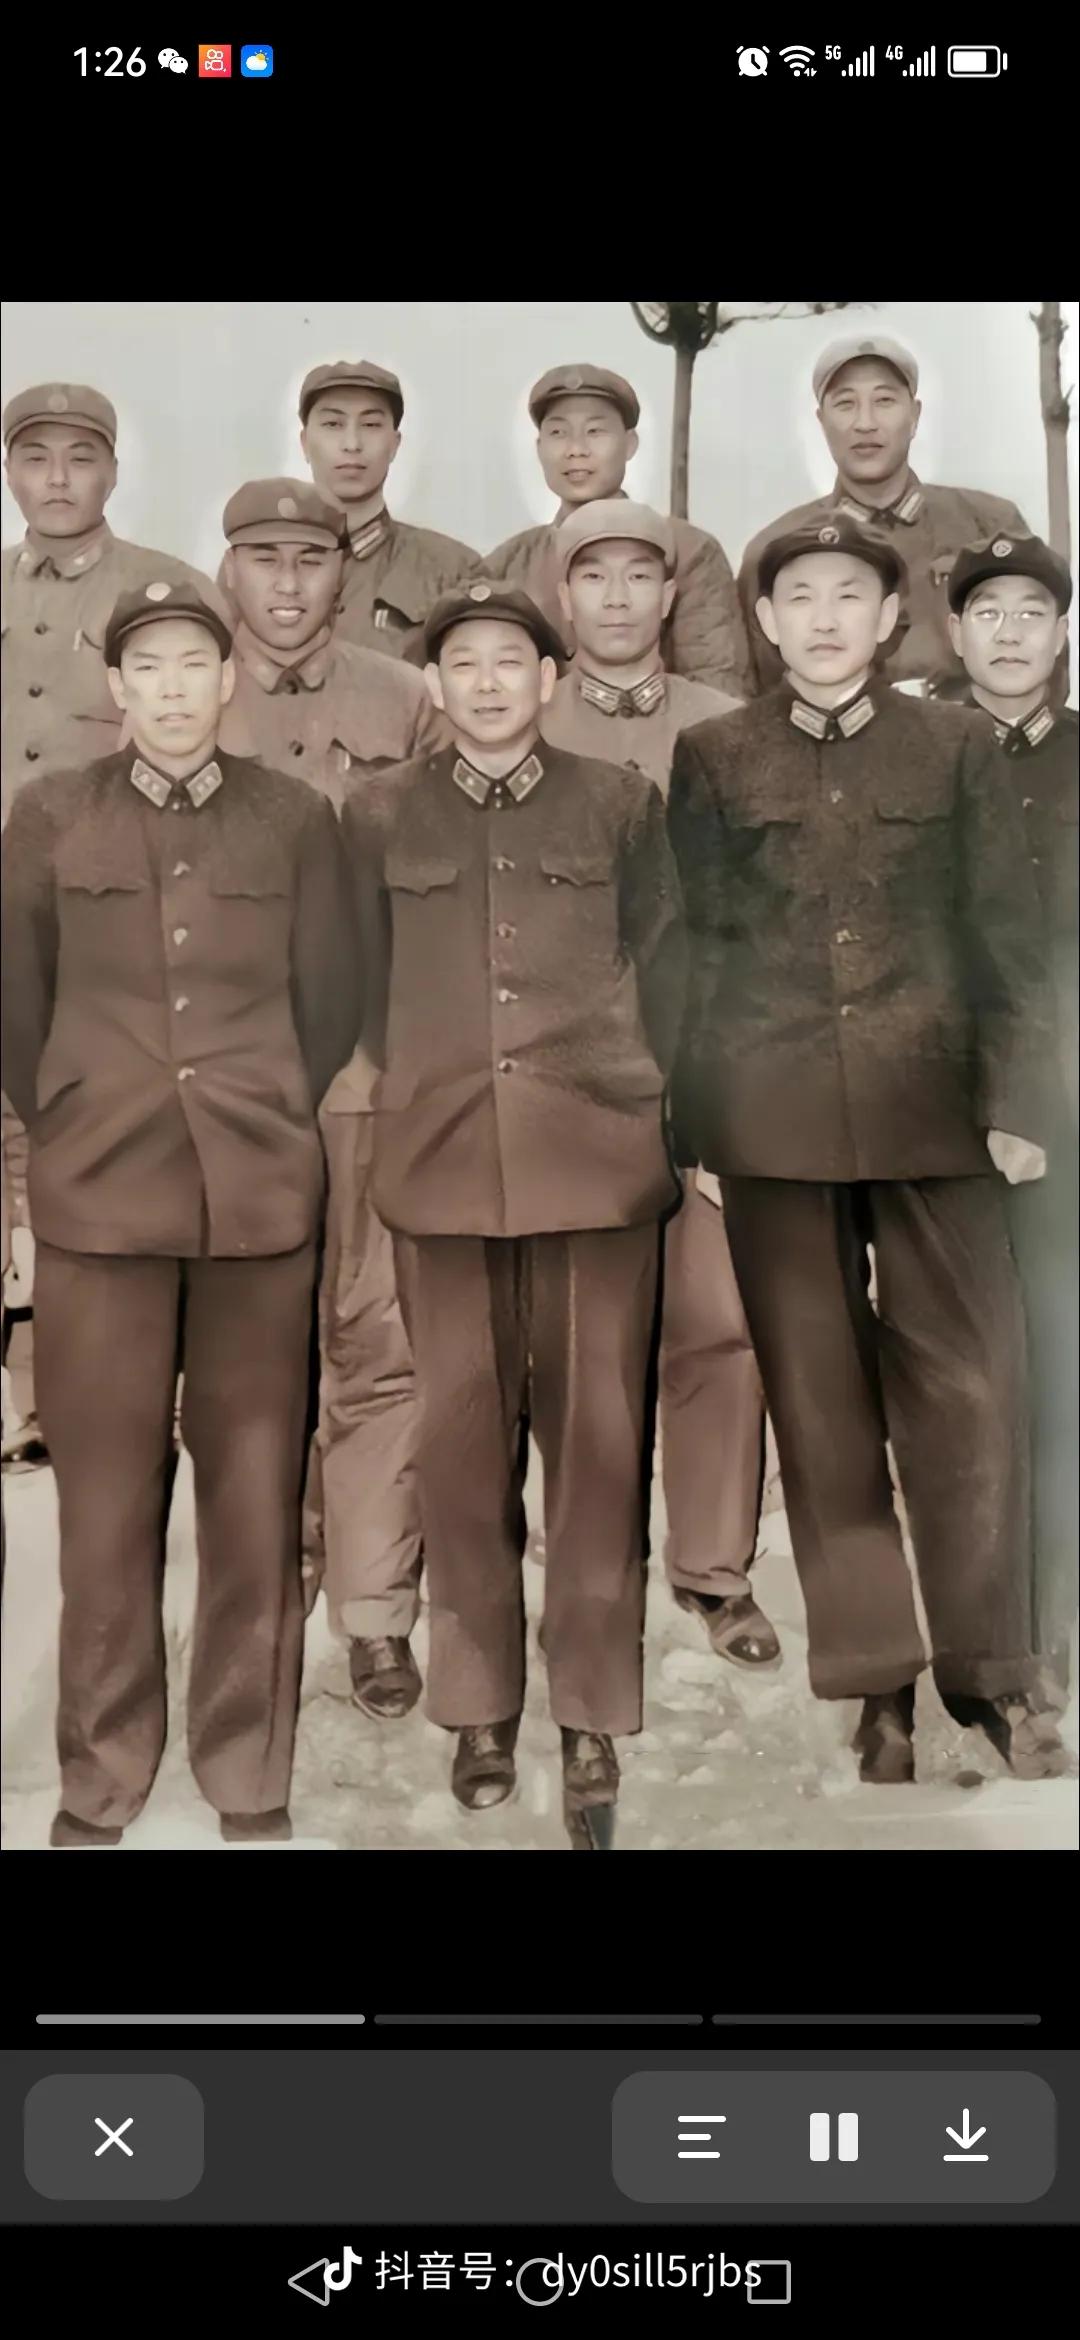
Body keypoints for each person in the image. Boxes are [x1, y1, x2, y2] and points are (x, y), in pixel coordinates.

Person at [668, 515, 1070, 1785]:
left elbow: (1007, 934)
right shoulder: (715, 754)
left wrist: (1020, 1100)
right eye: (801, 595)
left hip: (937, 1112)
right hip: (772, 1121)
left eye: (853, 594)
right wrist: (699, 1125)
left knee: (976, 1395)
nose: (828, 616)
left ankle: (993, 1676)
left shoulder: (954, 746)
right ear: (765, 620)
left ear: (894, 618)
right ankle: (875, 1686)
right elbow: (696, 949)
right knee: (821, 1411)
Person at [1, 580, 358, 1847]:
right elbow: (15, 1003)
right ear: (115, 686)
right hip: (100, 1204)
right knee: (104, 1508)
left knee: (255, 1498)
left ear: (229, 679)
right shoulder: (50, 814)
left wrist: (265, 1109)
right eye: (145, 665)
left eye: (192, 663)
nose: (169, 688)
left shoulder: (295, 818)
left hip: (257, 1204)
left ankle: (246, 1769)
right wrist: (73, 1122)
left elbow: (329, 1001)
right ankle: (102, 1777)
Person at [341, 580, 686, 1847]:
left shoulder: (619, 805)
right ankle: (479, 1704)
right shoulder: (377, 811)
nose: (487, 683)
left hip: (594, 1165)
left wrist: (631, 1094)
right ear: (433, 684)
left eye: (510, 661)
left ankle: (592, 1710)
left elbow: (670, 966)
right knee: (461, 1445)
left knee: (598, 1447)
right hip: (440, 1169)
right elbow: (357, 984)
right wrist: (437, 1080)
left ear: (551, 679)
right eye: (463, 663)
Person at [217, 474, 449, 1720]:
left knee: (375, 1343)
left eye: (310, 558)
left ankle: (374, 1612)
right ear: (229, 573)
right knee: (254, 1355)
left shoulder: (405, 698)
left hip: (366, 1075)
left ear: (343, 573)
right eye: (264, 558)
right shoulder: (188, 689)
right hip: (234, 1084)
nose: (289, 581)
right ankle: (267, 1592)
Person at [542, 498, 779, 1668]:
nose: (620, 598)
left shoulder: (729, 725)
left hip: (705, 1059)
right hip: (570, 1069)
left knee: (718, 1322)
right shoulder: (521, 717)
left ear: (674, 595)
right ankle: (590, 1560)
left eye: (642, 576)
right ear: (563, 595)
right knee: (584, 1334)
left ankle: (714, 1566)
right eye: (596, 576)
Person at [2, 380, 224, 1470]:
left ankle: (92, 1396)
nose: (56, 478)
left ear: (112, 471)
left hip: (109, 929)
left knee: (91, 1144)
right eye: (34, 457)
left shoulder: (163, 591)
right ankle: (20, 1398)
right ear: (9, 472)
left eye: (79, 456)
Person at [947, 533, 1078, 1702]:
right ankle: (987, 1635)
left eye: (1032, 611)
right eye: (986, 611)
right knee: (970, 1373)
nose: (1009, 632)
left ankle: (1050, 1626)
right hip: (947, 1106)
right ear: (954, 634)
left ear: (1062, 634)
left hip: (1068, 1111)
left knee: (1058, 1363)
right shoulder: (920, 757)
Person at [738, 336, 1031, 696]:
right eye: (845, 404)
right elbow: (760, 694)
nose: (865, 423)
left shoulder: (989, 525)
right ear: (821, 421)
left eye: (884, 401)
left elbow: (1042, 659)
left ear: (915, 416)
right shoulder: (774, 550)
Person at [486, 365, 751, 697]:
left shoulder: (690, 551)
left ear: (629, 445)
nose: (576, 449)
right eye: (558, 433)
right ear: (539, 448)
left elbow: (718, 690)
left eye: (595, 431)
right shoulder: (507, 566)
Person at [297, 360, 479, 659]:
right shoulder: (257, 566)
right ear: (304, 443)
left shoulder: (454, 571)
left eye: (370, 425)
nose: (352, 444)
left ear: (394, 445)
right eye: (333, 424)